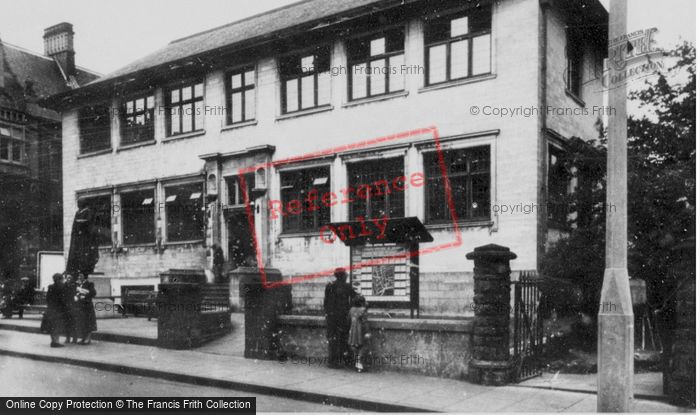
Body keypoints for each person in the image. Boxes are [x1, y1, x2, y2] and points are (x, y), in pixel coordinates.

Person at [323, 268, 357, 368]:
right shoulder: (346, 286)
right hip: (342, 316)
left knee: (332, 339)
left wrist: (328, 313)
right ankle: (346, 360)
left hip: (331, 316)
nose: (347, 276)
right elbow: (355, 297)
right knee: (343, 338)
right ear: (342, 276)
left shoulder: (329, 286)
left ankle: (333, 362)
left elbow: (326, 302)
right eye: (345, 275)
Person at [65, 199, 99, 278]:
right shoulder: (78, 212)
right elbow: (75, 224)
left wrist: (80, 223)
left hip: (85, 238)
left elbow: (89, 223)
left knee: (84, 253)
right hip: (78, 238)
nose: (78, 204)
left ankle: (84, 268)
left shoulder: (88, 211)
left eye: (79, 203)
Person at [74, 273, 97, 344]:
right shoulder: (78, 284)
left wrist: (85, 297)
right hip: (80, 306)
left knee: (88, 322)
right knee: (82, 323)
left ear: (85, 277)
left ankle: (88, 338)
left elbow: (93, 293)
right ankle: (83, 338)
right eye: (79, 276)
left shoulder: (90, 284)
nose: (79, 277)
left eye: (81, 276)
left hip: (87, 306)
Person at [46, 273, 67, 347]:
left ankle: (53, 341)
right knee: (57, 326)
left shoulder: (50, 287)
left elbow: (47, 298)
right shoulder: (62, 287)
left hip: (51, 309)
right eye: (62, 279)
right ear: (60, 279)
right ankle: (56, 342)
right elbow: (64, 299)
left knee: (52, 326)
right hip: (59, 309)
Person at [63, 273, 77, 343]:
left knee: (73, 323)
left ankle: (74, 338)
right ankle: (67, 338)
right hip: (66, 307)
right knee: (66, 323)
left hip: (73, 306)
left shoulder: (74, 285)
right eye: (67, 278)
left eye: (70, 278)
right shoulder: (64, 285)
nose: (68, 279)